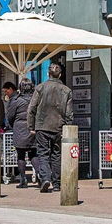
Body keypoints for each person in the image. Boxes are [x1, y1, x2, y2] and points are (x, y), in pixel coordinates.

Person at [28, 63, 73, 193]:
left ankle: (46, 178)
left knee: (42, 153)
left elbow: (31, 108)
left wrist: (31, 126)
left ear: (48, 74)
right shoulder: (66, 90)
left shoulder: (40, 88)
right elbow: (69, 113)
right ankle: (57, 183)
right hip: (58, 126)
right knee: (56, 154)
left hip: (41, 125)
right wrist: (68, 128)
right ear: (60, 74)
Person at [3, 79, 40, 189]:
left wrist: (11, 125)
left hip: (20, 128)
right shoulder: (36, 99)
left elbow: (9, 116)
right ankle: (40, 175)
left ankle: (23, 180)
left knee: (21, 155)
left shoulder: (16, 100)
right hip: (33, 128)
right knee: (34, 153)